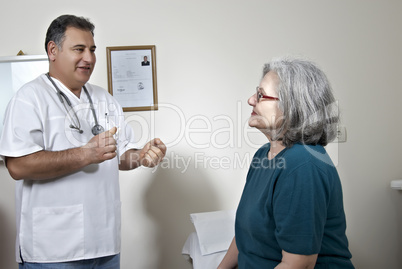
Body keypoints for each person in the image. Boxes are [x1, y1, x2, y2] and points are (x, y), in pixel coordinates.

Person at [0, 15, 166, 268]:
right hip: (53, 249)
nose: (89, 58)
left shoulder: (104, 99)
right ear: (53, 50)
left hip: (105, 243)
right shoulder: (29, 98)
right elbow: (18, 166)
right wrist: (84, 154)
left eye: (92, 50)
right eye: (79, 49)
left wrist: (141, 156)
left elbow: (122, 154)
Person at [218, 57, 354, 269]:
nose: (251, 100)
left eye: (261, 95)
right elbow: (245, 236)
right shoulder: (263, 155)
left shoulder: (302, 164)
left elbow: (298, 264)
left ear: (291, 107)